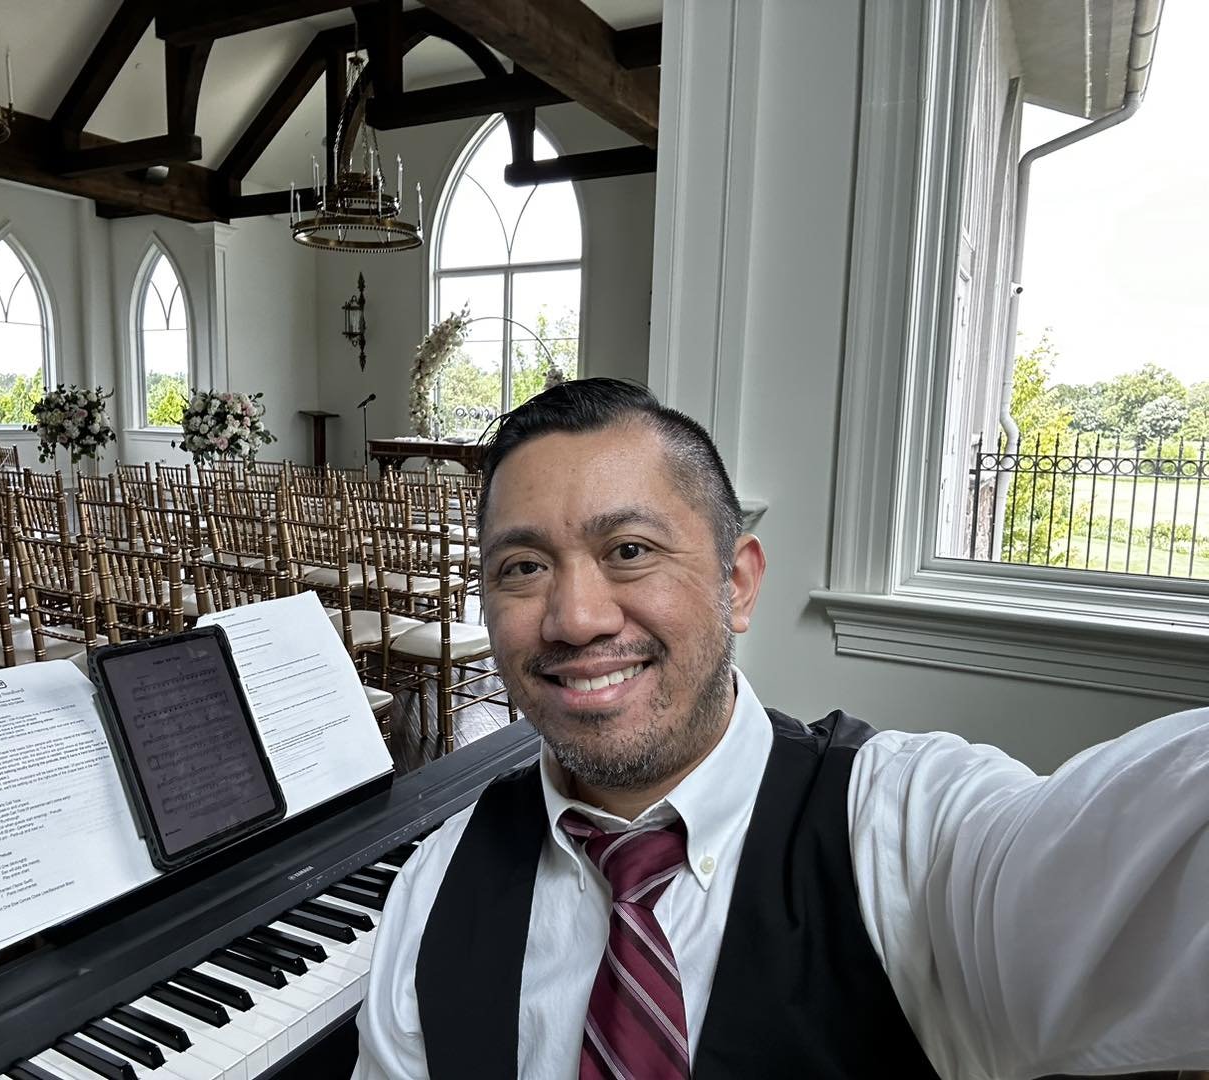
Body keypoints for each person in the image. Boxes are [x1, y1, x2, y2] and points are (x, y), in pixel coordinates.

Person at [353, 378, 1209, 1080]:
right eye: (524, 567)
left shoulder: (907, 829)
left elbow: (1134, 868)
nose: (575, 618)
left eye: (630, 551)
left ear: (738, 583)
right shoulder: (434, 887)